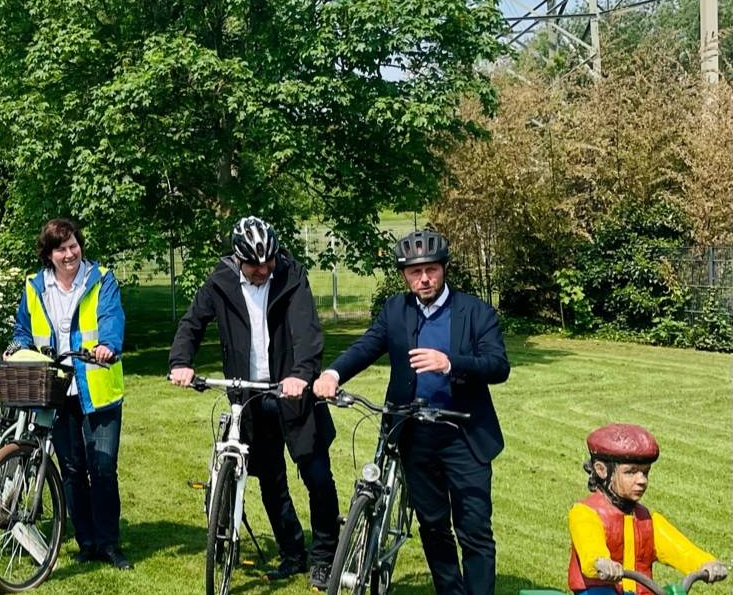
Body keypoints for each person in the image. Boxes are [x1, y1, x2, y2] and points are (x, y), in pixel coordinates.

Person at [313, 230, 509, 595]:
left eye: (431, 270)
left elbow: (498, 366)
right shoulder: (396, 310)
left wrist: (451, 363)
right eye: (414, 272)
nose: (423, 279)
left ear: (444, 269)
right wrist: (332, 373)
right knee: (433, 526)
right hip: (413, 433)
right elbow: (368, 345)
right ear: (404, 274)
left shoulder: (475, 312)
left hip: (464, 434)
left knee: (474, 529)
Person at [168, 216, 339, 587]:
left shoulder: (291, 277)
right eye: (255, 264)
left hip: (293, 391)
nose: (263, 270)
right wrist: (181, 362)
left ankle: (326, 556)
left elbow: (307, 332)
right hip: (249, 395)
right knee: (270, 480)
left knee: (317, 476)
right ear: (238, 259)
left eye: (268, 262)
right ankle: (293, 552)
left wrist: (301, 374)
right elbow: (192, 324)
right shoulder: (220, 282)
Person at [8, 218, 131, 570]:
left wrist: (108, 344)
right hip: (56, 389)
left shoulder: (101, 278)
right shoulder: (35, 286)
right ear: (49, 254)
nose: (69, 254)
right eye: (60, 249)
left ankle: (109, 542)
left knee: (103, 467)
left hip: (98, 386)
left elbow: (111, 317)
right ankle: (86, 541)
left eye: (73, 245)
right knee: (73, 469)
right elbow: (23, 328)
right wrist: (16, 347)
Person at [567, 423, 728, 594]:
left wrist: (706, 563)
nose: (642, 480)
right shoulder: (585, 513)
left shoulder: (647, 520)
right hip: (599, 590)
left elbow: (679, 547)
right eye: (631, 472)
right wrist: (600, 562)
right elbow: (590, 547)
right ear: (601, 470)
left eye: (645, 472)